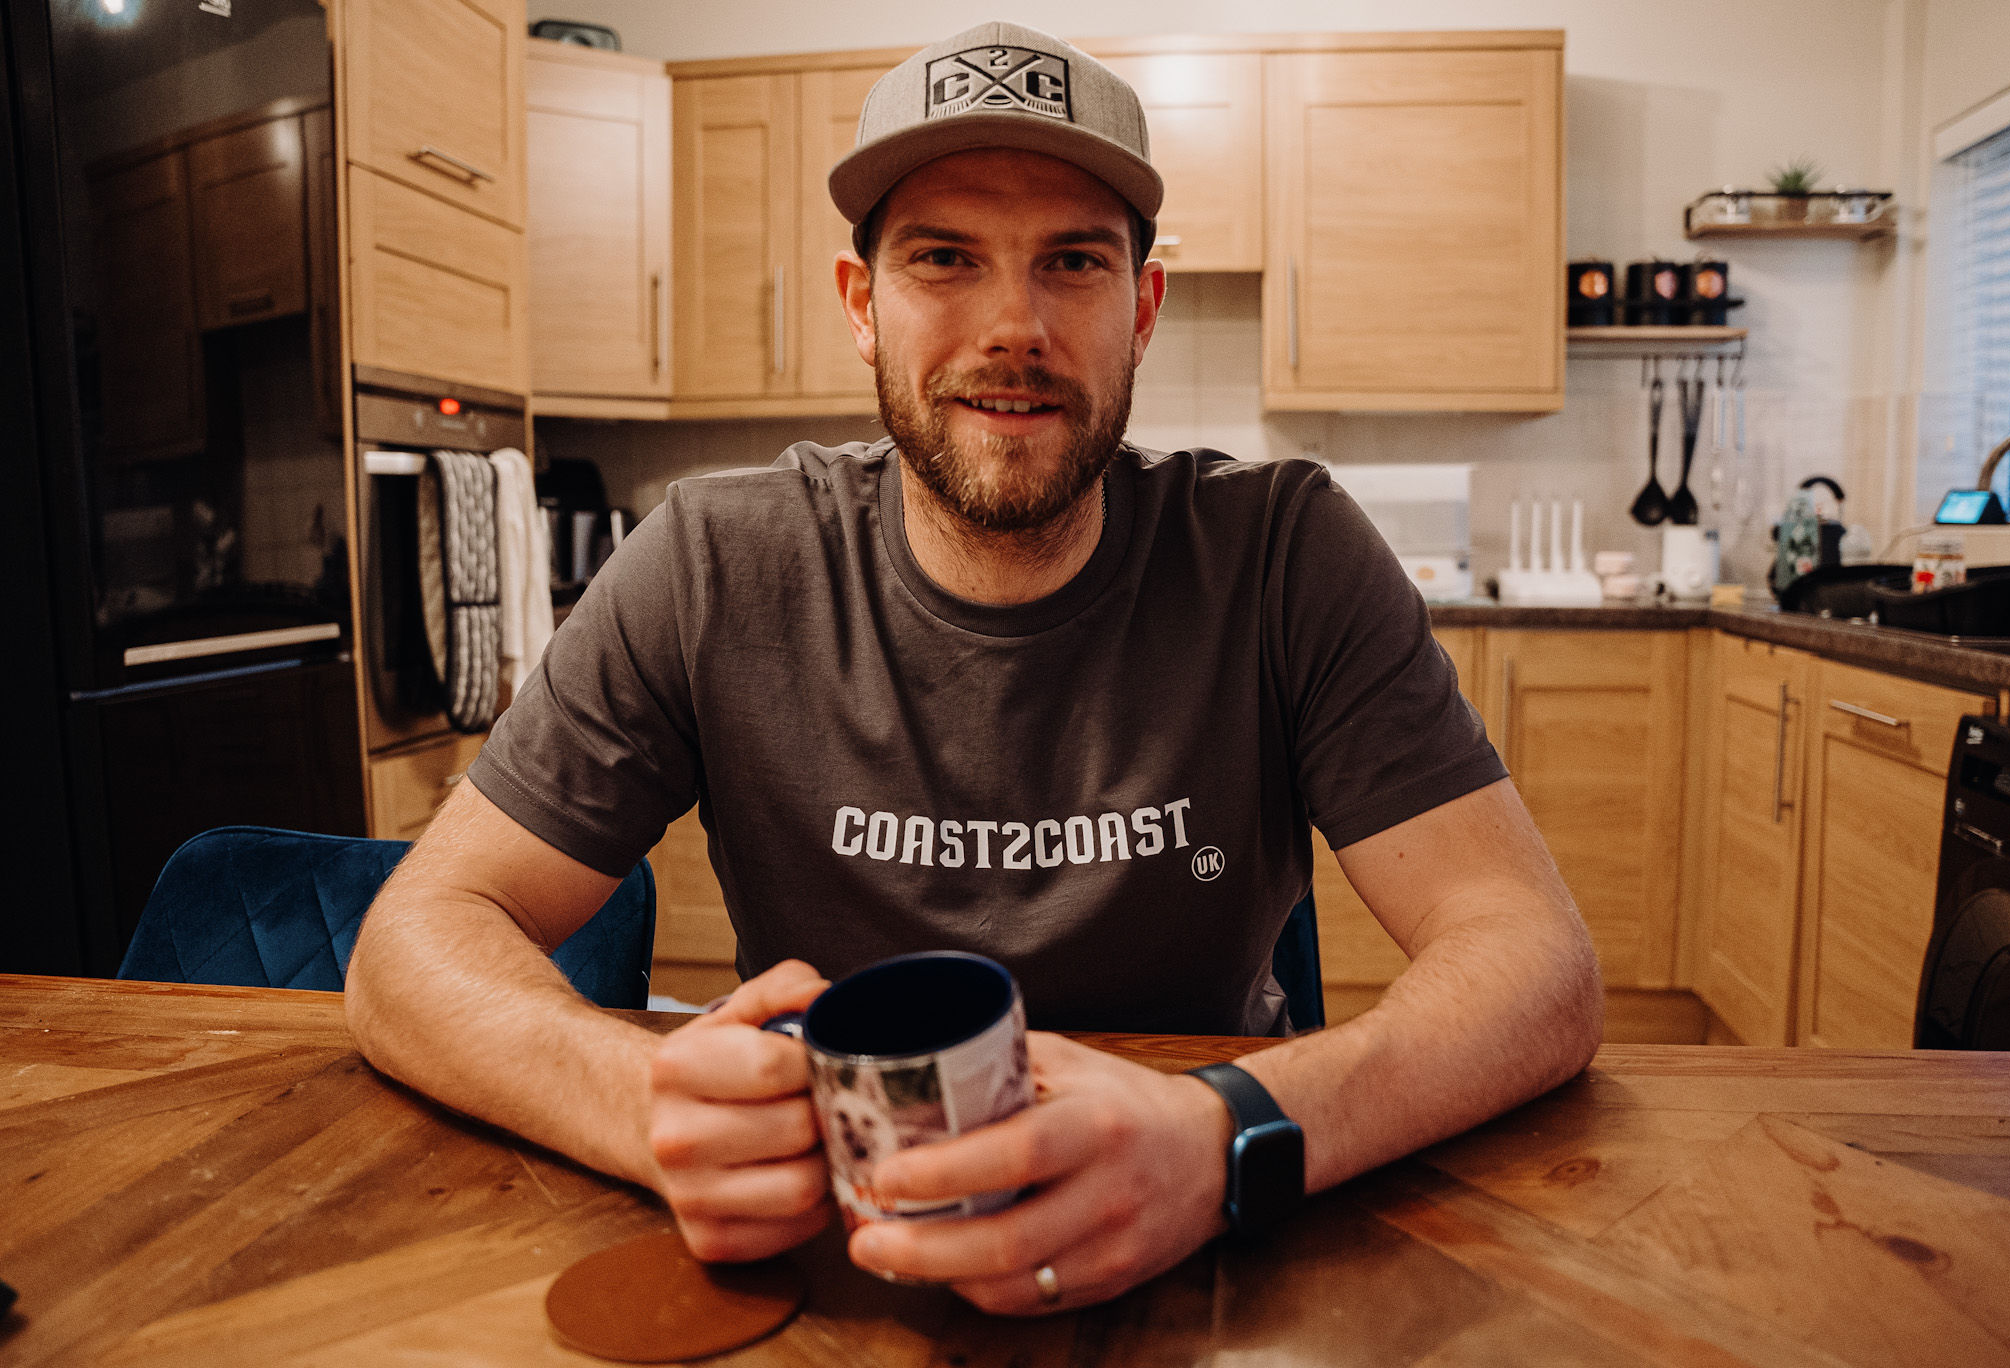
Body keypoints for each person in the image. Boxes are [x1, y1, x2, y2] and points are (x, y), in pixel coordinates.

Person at [344, 20, 1601, 1317]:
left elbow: (1535, 965)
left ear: (1143, 307)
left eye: (1073, 261)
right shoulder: (714, 565)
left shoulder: (1282, 557)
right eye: (945, 259)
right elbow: (412, 948)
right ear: (860, 304)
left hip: (1209, 1255)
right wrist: (634, 1103)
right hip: (835, 1273)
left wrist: (1229, 1133)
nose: (1015, 326)